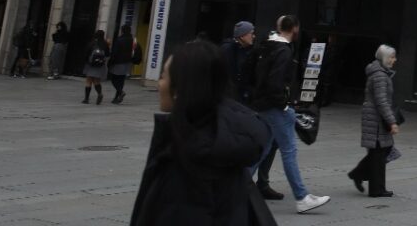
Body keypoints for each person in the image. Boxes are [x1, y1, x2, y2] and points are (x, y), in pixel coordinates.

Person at [130, 38, 279, 226]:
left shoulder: (190, 161)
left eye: (163, 76)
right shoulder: (220, 147)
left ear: (180, 88)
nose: (160, 83)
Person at [247, 14, 329, 214]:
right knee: (289, 151)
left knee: (263, 149)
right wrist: (284, 105)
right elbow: (276, 82)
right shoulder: (283, 51)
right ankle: (302, 197)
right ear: (295, 29)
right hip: (276, 108)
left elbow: (248, 72)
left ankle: (234, 186)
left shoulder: (264, 46)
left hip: (261, 105)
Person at [226, 22, 283, 202]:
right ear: (242, 35)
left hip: (252, 103)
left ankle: (261, 183)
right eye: (251, 33)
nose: (254, 36)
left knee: (271, 142)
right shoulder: (228, 51)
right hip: (237, 104)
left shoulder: (255, 51)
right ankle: (242, 182)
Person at [350, 44, 401, 198]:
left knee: (379, 151)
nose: (394, 60)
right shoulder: (379, 75)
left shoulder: (380, 73)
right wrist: (392, 122)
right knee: (379, 152)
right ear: (384, 58)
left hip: (375, 118)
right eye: (391, 57)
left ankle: (365, 179)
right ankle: (374, 187)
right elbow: (381, 101)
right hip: (376, 120)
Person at [110, 24, 136, 104]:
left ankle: (120, 92)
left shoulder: (119, 40)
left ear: (122, 31)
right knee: (121, 80)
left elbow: (115, 52)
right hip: (128, 62)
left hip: (119, 62)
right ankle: (116, 98)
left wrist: (111, 61)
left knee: (113, 78)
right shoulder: (132, 40)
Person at [83, 30, 110, 104]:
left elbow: (86, 53)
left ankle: (86, 99)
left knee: (88, 81)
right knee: (96, 81)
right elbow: (107, 54)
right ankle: (99, 93)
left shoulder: (92, 43)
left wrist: (86, 61)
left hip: (90, 64)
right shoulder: (105, 44)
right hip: (100, 65)